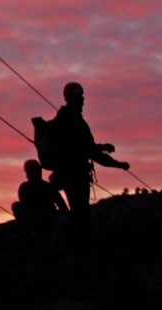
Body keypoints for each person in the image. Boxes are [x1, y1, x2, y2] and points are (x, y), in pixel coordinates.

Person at [47, 82, 129, 233]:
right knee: (81, 213)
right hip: (74, 174)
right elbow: (86, 150)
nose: (82, 101)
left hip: (69, 173)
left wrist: (102, 148)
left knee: (79, 212)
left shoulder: (65, 120)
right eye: (78, 97)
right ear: (70, 99)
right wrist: (117, 164)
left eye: (81, 97)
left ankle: (81, 243)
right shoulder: (72, 121)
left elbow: (84, 147)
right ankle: (81, 247)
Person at [14, 159, 70, 244]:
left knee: (63, 221)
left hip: (50, 220)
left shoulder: (49, 187)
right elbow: (24, 206)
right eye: (30, 172)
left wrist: (50, 214)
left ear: (39, 172)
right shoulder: (24, 188)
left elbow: (63, 207)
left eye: (35, 172)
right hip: (33, 221)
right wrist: (37, 214)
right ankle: (29, 233)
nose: (33, 175)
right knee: (16, 205)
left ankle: (52, 244)